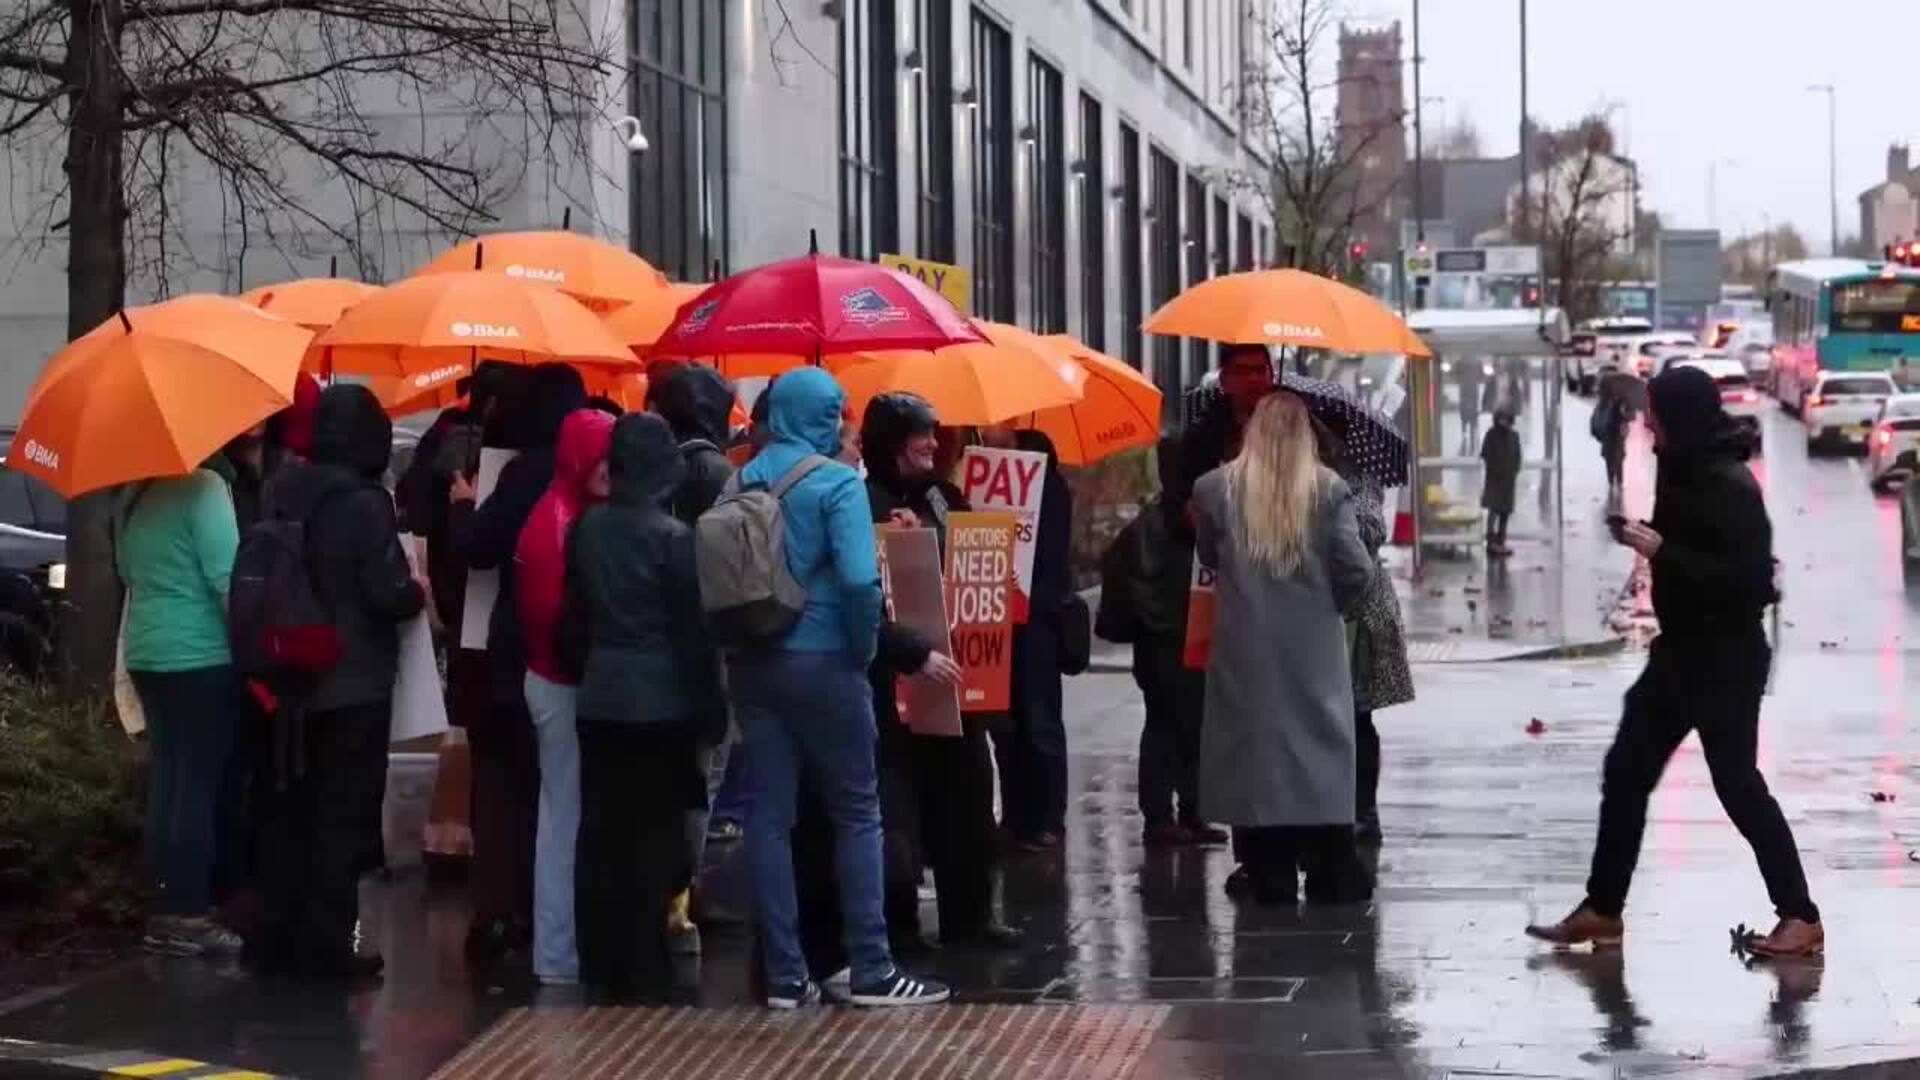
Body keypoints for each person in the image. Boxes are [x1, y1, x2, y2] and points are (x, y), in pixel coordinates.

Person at [1527, 366, 1822, 959]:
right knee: (1626, 770)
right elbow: (1686, 549)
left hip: (1725, 659)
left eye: (1656, 415)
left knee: (1738, 786)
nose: (1648, 425)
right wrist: (1648, 541)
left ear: (1680, 419)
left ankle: (1801, 917)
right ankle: (1603, 910)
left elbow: (1750, 583)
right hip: (1680, 654)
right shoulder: (1683, 468)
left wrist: (1665, 551)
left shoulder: (1729, 483)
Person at [731, 367, 950, 1009]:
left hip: (754, 662)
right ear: (824, 419)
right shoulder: (834, 483)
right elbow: (859, 582)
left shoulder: (742, 476)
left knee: (768, 818)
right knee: (858, 811)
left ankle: (784, 976)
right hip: (827, 661)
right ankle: (872, 968)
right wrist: (863, 647)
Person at [250, 384, 427, 979]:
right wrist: (416, 594)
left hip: (290, 676)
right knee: (343, 817)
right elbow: (386, 592)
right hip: (353, 681)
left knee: (289, 810)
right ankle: (327, 947)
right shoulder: (365, 502)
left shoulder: (281, 488)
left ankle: (276, 935)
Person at [563, 412, 727, 1002]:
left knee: (602, 832)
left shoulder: (585, 529)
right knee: (655, 836)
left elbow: (573, 620)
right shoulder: (672, 539)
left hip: (599, 697)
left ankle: (600, 959)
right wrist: (711, 710)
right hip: (662, 705)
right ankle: (643, 962)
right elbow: (693, 636)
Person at [1193, 393, 1376, 906]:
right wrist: (1330, 605)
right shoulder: (1328, 490)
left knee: (1255, 755)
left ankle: (1265, 867)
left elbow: (1207, 551)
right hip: (1312, 650)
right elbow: (1357, 571)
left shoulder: (1214, 489)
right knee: (1318, 746)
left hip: (1244, 648)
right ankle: (1328, 866)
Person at [860, 393, 1019, 949]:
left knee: (968, 793)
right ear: (889, 441)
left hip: (956, 678)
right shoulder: (861, 501)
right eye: (920, 434)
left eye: (933, 432)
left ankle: (971, 915)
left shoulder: (942, 496)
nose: (933, 442)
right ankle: (899, 925)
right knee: (899, 804)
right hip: (895, 684)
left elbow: (975, 555)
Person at [453, 362, 588, 964]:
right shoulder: (593, 474)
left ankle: (503, 914)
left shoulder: (523, 472)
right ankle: (553, 921)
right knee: (560, 793)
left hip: (515, 653)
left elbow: (477, 547)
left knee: (509, 787)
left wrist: (461, 504)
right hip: (581, 653)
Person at [117, 457, 248, 958]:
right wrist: (252, 646)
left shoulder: (133, 491)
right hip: (200, 654)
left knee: (169, 783)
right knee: (196, 786)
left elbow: (127, 570)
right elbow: (226, 578)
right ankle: (190, 913)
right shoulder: (204, 486)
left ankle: (163, 908)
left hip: (149, 654)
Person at [513, 408, 615, 986]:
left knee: (562, 816)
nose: (607, 467)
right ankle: (558, 958)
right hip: (563, 683)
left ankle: (560, 956)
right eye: (598, 455)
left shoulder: (561, 513)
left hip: (553, 679)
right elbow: (558, 621)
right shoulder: (562, 524)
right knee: (564, 819)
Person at [648, 361, 742, 954]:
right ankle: (681, 898)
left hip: (666, 641)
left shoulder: (659, 469)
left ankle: (676, 894)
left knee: (680, 776)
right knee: (701, 773)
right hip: (708, 644)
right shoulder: (715, 471)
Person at [1102, 436, 1227, 848]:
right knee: (1167, 727)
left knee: (1192, 726)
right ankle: (1161, 815)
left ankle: (1188, 810)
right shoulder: (1160, 524)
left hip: (1184, 638)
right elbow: (1145, 586)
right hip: (1166, 642)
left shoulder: (1180, 518)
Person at [995, 429, 1074, 853]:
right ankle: (1021, 817)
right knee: (1009, 727)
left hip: (1035, 619)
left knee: (1037, 721)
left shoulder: (1051, 489)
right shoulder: (987, 477)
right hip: (1004, 615)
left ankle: (1044, 818)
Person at [1481, 406, 1522, 557]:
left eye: (1506, 419)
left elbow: (1518, 456)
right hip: (1495, 479)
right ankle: (1491, 543)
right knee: (1494, 510)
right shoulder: (1491, 435)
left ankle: (1501, 541)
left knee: (1505, 513)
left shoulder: (1514, 436)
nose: (1504, 422)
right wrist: (1495, 469)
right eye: (1501, 419)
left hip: (1508, 480)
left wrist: (1514, 471)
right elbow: (1485, 454)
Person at [1593, 380, 1634, 495]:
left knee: (1616, 457)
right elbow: (1598, 417)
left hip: (1615, 433)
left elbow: (1630, 415)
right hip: (1609, 433)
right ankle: (1613, 482)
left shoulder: (1620, 400)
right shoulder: (1605, 401)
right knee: (1612, 457)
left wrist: (1625, 414)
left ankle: (1617, 482)